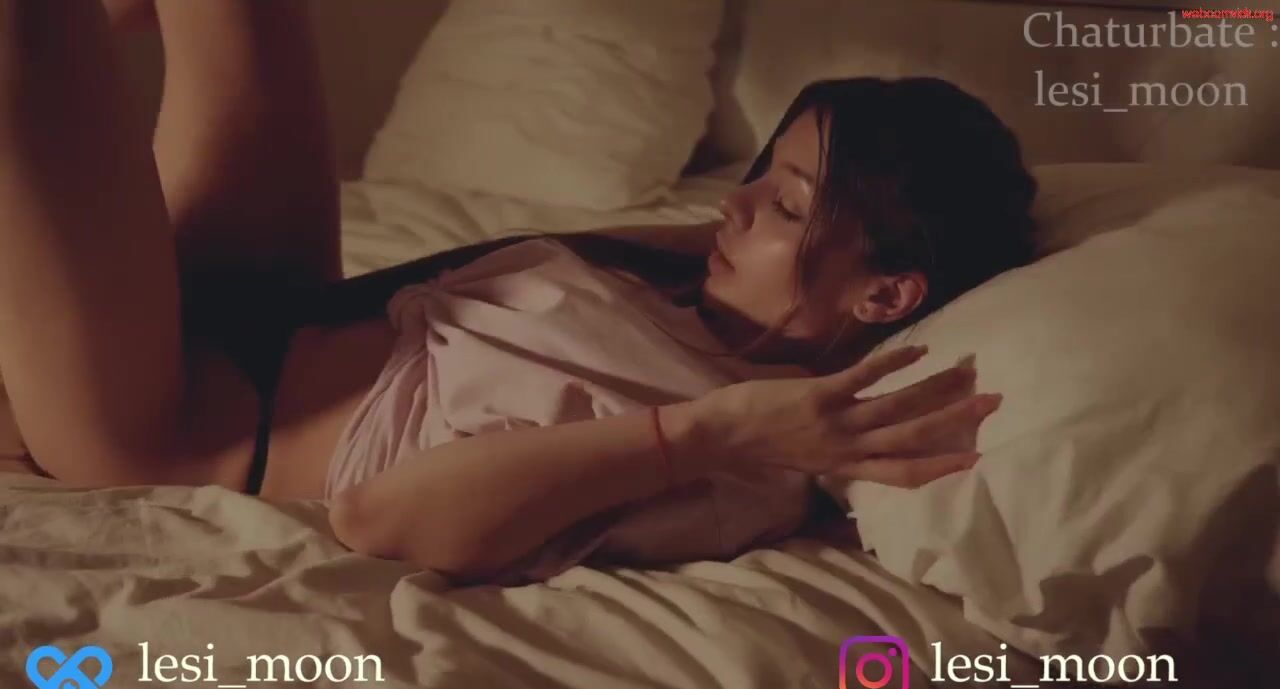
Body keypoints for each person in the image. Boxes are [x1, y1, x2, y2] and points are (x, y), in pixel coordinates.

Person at [0, 1, 1036, 584]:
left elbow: (376, 519)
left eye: (785, 203)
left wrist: (710, 431)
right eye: (757, 176)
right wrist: (744, 245)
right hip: (273, 311)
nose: (732, 205)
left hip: (179, 424)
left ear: (885, 296)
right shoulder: (696, 297)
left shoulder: (735, 464)